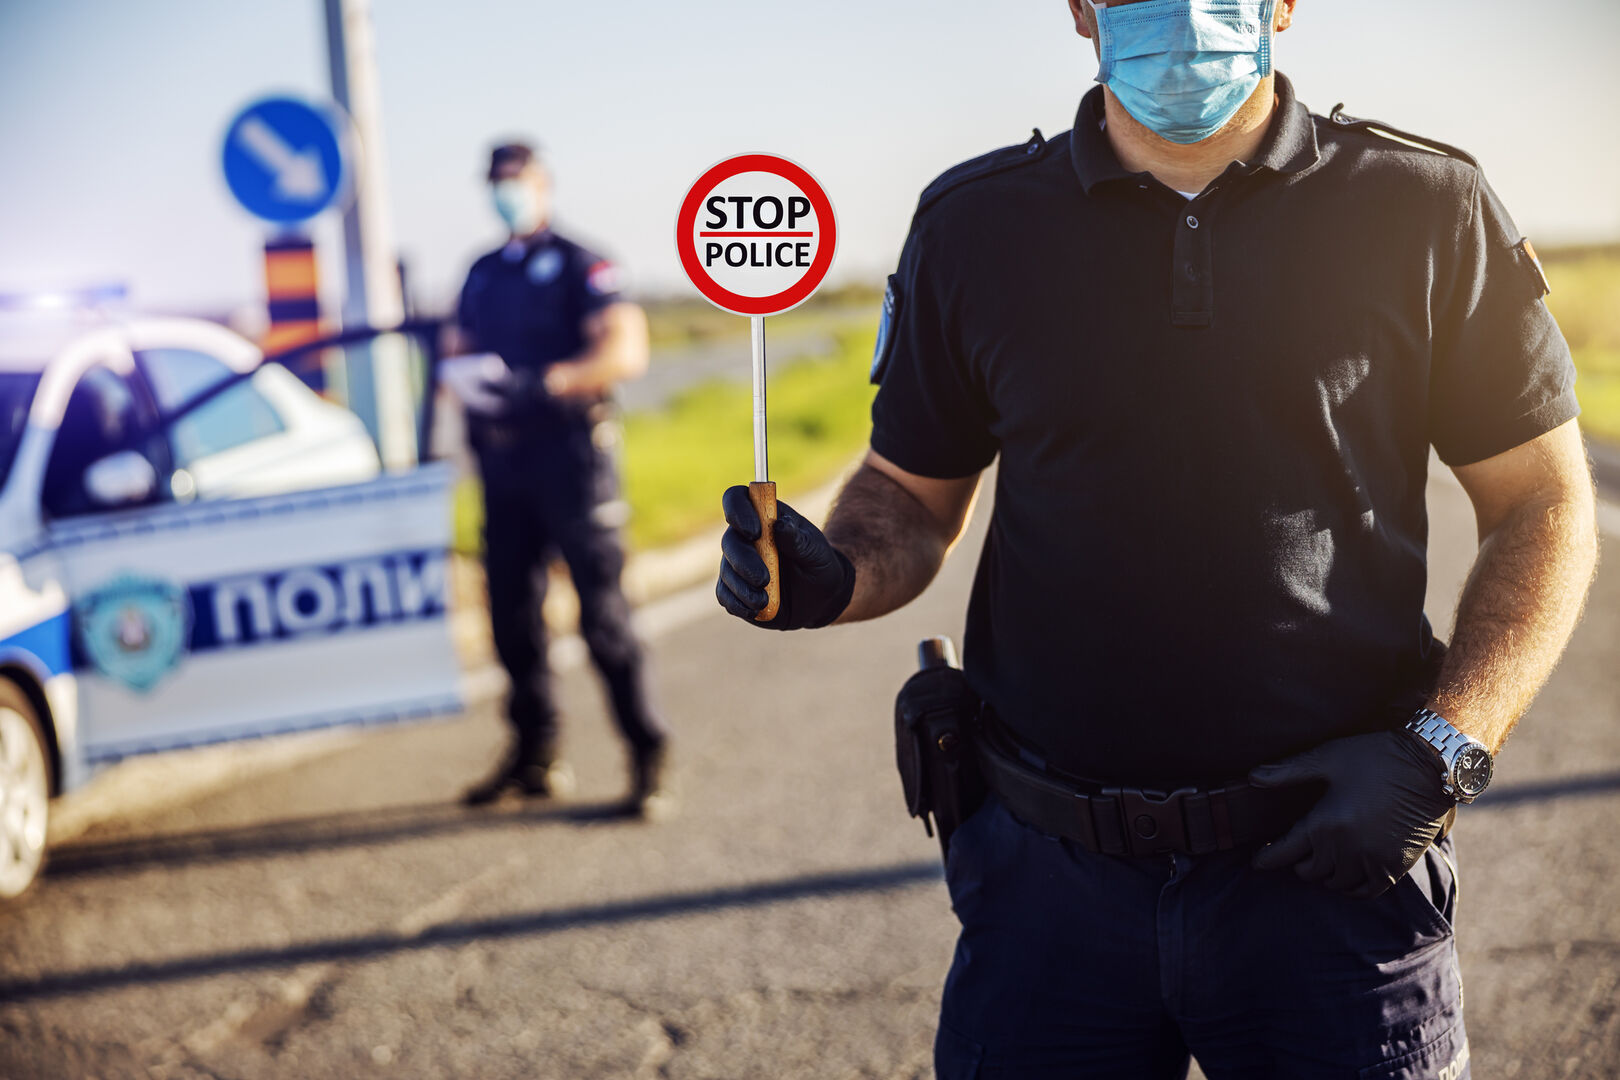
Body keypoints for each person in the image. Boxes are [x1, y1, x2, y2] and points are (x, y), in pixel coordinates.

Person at [716, 1, 1600, 1075]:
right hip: (1046, 890)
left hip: (1337, 874)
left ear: (1285, 3)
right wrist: (837, 572)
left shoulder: (1423, 203)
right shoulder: (974, 224)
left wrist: (1445, 752)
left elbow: (1542, 505)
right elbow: (909, 493)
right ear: (1081, 8)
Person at [454, 141, 670, 818]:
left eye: (516, 180)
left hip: (572, 458)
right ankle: (535, 755)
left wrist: (548, 382)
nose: (506, 192)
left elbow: (625, 349)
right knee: (511, 617)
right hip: (502, 463)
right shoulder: (482, 272)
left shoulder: (583, 263)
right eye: (496, 181)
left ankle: (646, 754)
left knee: (602, 615)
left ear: (543, 184)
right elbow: (457, 351)